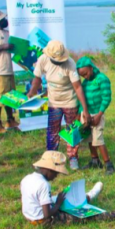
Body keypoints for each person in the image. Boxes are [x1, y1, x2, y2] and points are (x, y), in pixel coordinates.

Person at [21, 151, 115, 225]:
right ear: (49, 169)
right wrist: (57, 204)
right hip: (43, 221)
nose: (56, 176)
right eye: (56, 173)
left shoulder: (27, 178)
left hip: (30, 216)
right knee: (86, 216)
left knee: (68, 199)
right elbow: (47, 215)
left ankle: (88, 196)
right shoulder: (44, 185)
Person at [29, 40, 93, 171]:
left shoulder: (70, 64)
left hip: (70, 102)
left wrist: (84, 109)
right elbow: (36, 78)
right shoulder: (43, 59)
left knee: (72, 130)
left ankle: (73, 157)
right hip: (53, 102)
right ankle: (50, 159)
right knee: (52, 132)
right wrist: (32, 91)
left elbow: (77, 87)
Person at [76, 55, 115, 175]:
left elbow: (106, 98)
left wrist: (99, 114)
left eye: (86, 73)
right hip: (86, 114)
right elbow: (82, 99)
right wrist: (80, 113)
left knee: (98, 139)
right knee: (89, 138)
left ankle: (108, 164)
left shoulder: (102, 79)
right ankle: (95, 160)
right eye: (82, 76)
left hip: (97, 113)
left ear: (91, 68)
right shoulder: (85, 83)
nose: (85, 77)